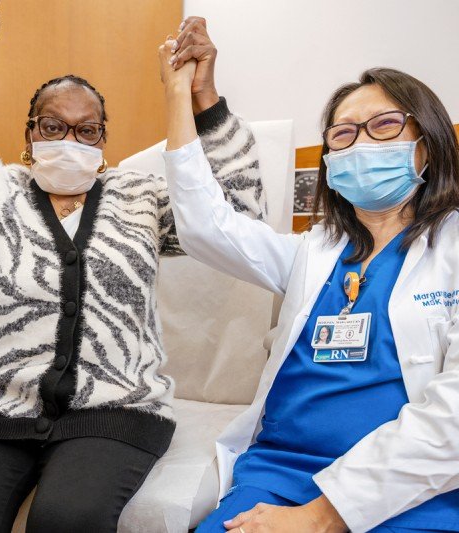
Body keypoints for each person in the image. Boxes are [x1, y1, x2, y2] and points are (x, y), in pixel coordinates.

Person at [0, 3, 265, 532]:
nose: (69, 139)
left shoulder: (141, 197)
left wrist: (202, 96)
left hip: (118, 409)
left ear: (103, 141)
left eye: (87, 131)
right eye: (53, 125)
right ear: (30, 132)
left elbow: (240, 216)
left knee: (66, 518)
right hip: (4, 412)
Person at [160, 16, 459, 533]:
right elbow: (205, 226)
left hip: (409, 490)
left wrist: (322, 518)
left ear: (426, 145)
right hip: (280, 474)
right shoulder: (314, 252)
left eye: (385, 125)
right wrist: (184, 93)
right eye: (343, 134)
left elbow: (451, 423)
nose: (361, 144)